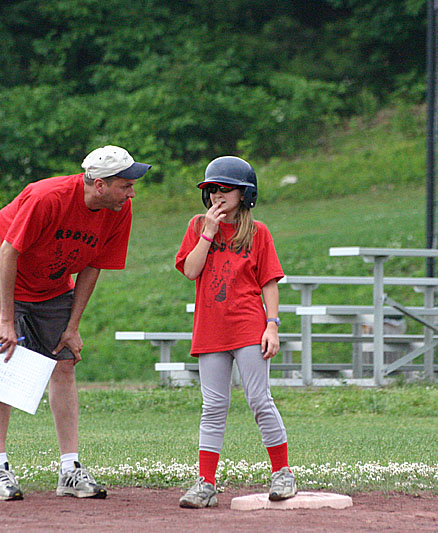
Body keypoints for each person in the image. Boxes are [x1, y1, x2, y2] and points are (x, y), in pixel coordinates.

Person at [0, 145, 150, 501]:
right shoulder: (47, 197)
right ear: (99, 184)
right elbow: (7, 253)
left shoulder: (118, 210)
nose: (131, 192)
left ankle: (70, 469)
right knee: (4, 364)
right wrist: (6, 320)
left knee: (65, 363)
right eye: (124, 184)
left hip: (51, 286)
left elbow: (93, 264)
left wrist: (73, 325)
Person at [174, 155, 296, 508]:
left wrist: (272, 325)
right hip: (210, 330)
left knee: (259, 399)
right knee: (213, 406)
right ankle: (206, 484)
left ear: (245, 194)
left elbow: (269, 283)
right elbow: (191, 271)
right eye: (212, 189)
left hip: (248, 327)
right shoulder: (198, 226)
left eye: (225, 189)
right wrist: (209, 234)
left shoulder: (258, 232)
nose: (217, 196)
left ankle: (282, 472)